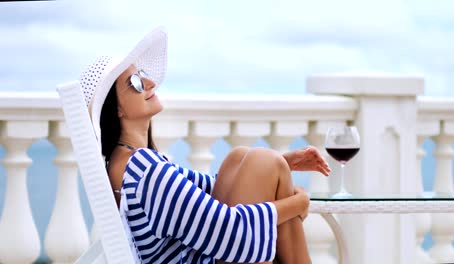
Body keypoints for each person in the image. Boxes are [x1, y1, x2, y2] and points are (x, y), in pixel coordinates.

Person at [80, 26, 330, 264]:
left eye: (142, 76)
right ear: (115, 109)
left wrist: (285, 164)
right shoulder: (143, 170)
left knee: (239, 158)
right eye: (134, 83)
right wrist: (297, 203)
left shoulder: (124, 164)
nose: (150, 84)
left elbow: (210, 191)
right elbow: (232, 234)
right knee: (264, 162)